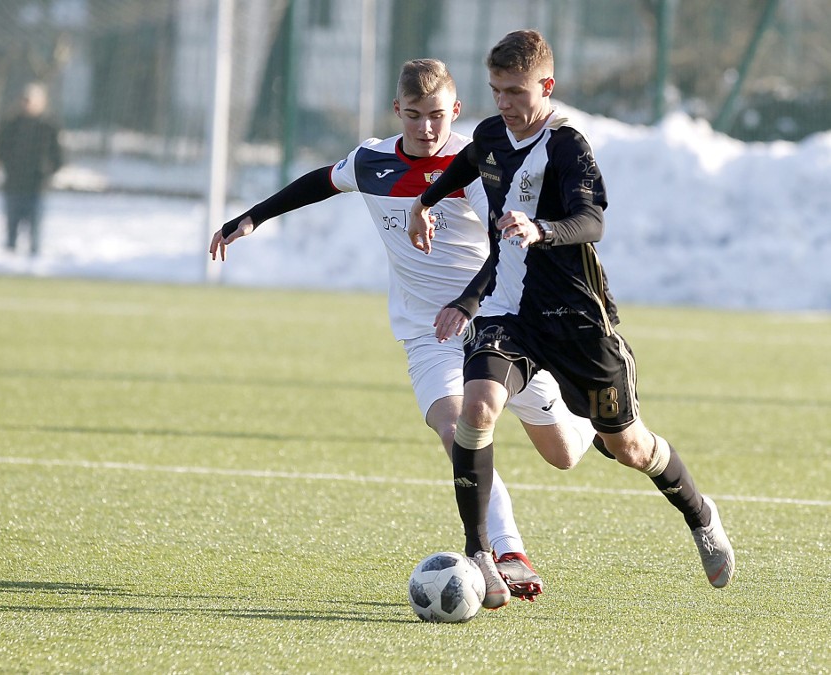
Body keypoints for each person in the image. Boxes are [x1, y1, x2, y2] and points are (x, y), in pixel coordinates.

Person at [210, 59, 596, 609]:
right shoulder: (372, 161)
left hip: (499, 321)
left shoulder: (482, 165)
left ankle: (594, 421)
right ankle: (503, 552)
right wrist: (252, 217)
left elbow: (510, 247)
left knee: (563, 454)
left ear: (455, 112)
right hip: (426, 333)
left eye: (436, 116)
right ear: (398, 111)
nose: (425, 128)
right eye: (414, 116)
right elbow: (320, 181)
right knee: (455, 427)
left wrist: (468, 302)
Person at [408, 30, 735, 593]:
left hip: (578, 322)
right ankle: (479, 552)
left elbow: (593, 222)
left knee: (627, 445)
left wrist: (542, 229)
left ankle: (701, 514)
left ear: (546, 86)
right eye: (496, 90)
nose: (504, 102)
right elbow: (466, 164)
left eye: (515, 90)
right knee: (479, 406)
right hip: (508, 314)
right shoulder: (491, 134)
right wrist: (424, 202)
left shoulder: (567, 146)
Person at [0, 82, 63, 256]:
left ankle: (33, 264)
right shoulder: (11, 124)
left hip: (36, 186)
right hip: (14, 185)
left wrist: (45, 172)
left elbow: (58, 156)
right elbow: (0, 150)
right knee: (11, 232)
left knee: (35, 234)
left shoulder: (48, 125)